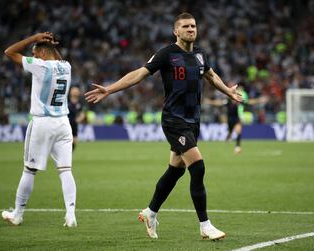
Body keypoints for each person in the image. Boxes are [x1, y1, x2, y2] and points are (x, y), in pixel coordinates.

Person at [85, 13, 242, 240]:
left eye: (193, 26)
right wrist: (110, 89)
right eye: (186, 26)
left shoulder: (200, 54)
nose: (191, 29)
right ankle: (205, 226)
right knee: (197, 167)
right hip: (173, 119)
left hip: (193, 120)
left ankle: (150, 212)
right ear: (175, 31)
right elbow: (139, 74)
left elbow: (210, 75)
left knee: (176, 170)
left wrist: (228, 91)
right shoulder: (167, 54)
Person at [1, 32, 77, 227]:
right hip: (63, 123)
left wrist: (34, 38)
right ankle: (70, 214)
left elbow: (9, 52)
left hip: (42, 123)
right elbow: (57, 58)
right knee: (66, 170)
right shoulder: (66, 67)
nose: (32, 57)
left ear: (42, 53)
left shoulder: (40, 65)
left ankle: (17, 214)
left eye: (35, 53)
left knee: (29, 171)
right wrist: (50, 47)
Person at [205, 84, 267, 154]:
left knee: (238, 132)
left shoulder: (238, 101)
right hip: (230, 120)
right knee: (230, 132)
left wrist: (259, 100)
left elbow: (249, 102)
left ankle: (237, 147)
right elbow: (219, 103)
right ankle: (228, 138)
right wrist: (210, 102)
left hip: (236, 119)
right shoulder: (228, 101)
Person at [68, 85, 85, 152]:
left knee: (74, 141)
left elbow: (82, 113)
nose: (75, 92)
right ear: (70, 92)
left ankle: (70, 152)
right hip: (65, 122)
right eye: (73, 91)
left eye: (76, 91)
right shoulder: (66, 100)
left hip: (74, 123)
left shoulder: (80, 102)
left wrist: (79, 119)